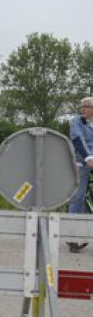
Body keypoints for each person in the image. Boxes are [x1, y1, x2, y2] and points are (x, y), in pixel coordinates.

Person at [67, 96, 93, 252]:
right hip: (81, 161)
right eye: (81, 107)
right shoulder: (76, 122)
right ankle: (72, 236)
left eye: (86, 106)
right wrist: (88, 157)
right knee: (78, 196)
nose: (82, 109)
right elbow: (77, 139)